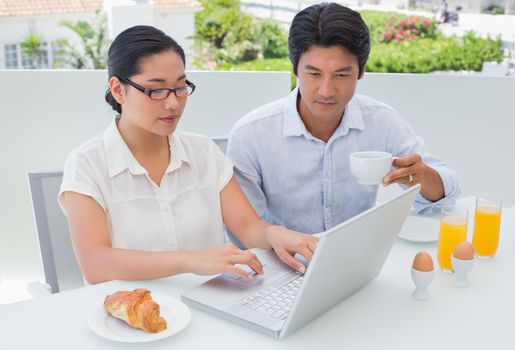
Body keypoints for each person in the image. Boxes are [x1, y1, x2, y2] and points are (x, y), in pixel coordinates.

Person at [59, 25, 318, 284]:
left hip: (211, 303)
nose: (173, 103)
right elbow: (96, 265)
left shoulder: (203, 151)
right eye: (157, 90)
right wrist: (190, 261)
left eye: (181, 88)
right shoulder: (86, 164)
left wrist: (276, 234)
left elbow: (248, 227)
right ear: (118, 90)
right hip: (128, 315)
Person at [227, 3, 460, 243]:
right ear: (295, 68)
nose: (327, 91)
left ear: (360, 72)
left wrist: (423, 177)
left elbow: (449, 191)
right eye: (314, 74)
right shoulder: (251, 135)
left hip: (357, 260)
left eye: (341, 75)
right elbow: (243, 230)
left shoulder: (381, 121)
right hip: (282, 266)